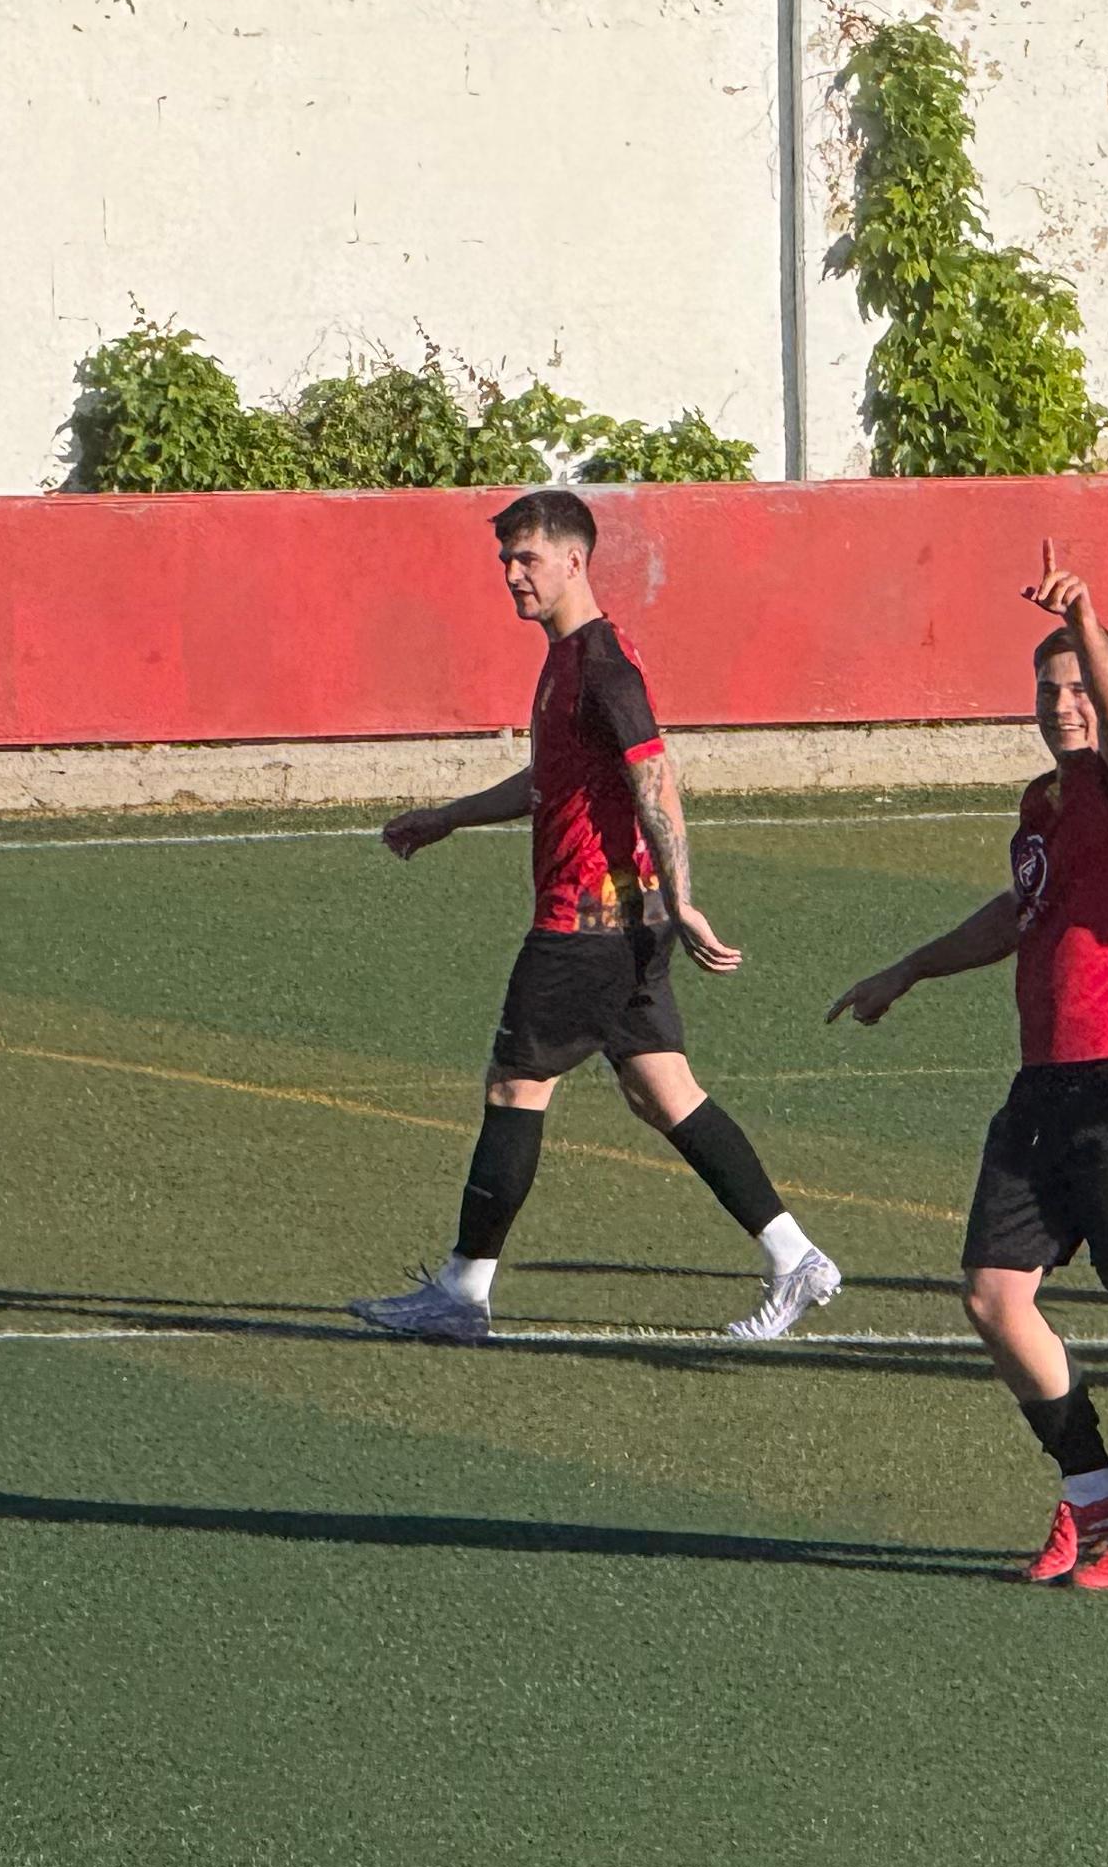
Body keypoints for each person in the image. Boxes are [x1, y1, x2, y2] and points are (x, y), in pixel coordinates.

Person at [351, 490, 838, 1344]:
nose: (511, 575)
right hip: (626, 929)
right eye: (505, 559)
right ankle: (795, 1256)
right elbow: (556, 786)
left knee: (515, 1088)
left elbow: (656, 779)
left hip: (586, 928)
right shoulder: (567, 660)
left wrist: (684, 896)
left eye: (526, 559)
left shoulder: (604, 666)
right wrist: (448, 818)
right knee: (664, 1091)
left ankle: (463, 1294)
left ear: (574, 561)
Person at [829, 546, 1108, 1592]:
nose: (1066, 704)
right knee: (995, 1295)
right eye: (1049, 690)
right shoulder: (1041, 803)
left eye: (1082, 685)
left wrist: (1089, 616)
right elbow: (1019, 912)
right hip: (1046, 1085)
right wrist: (910, 967)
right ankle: (1095, 1493)